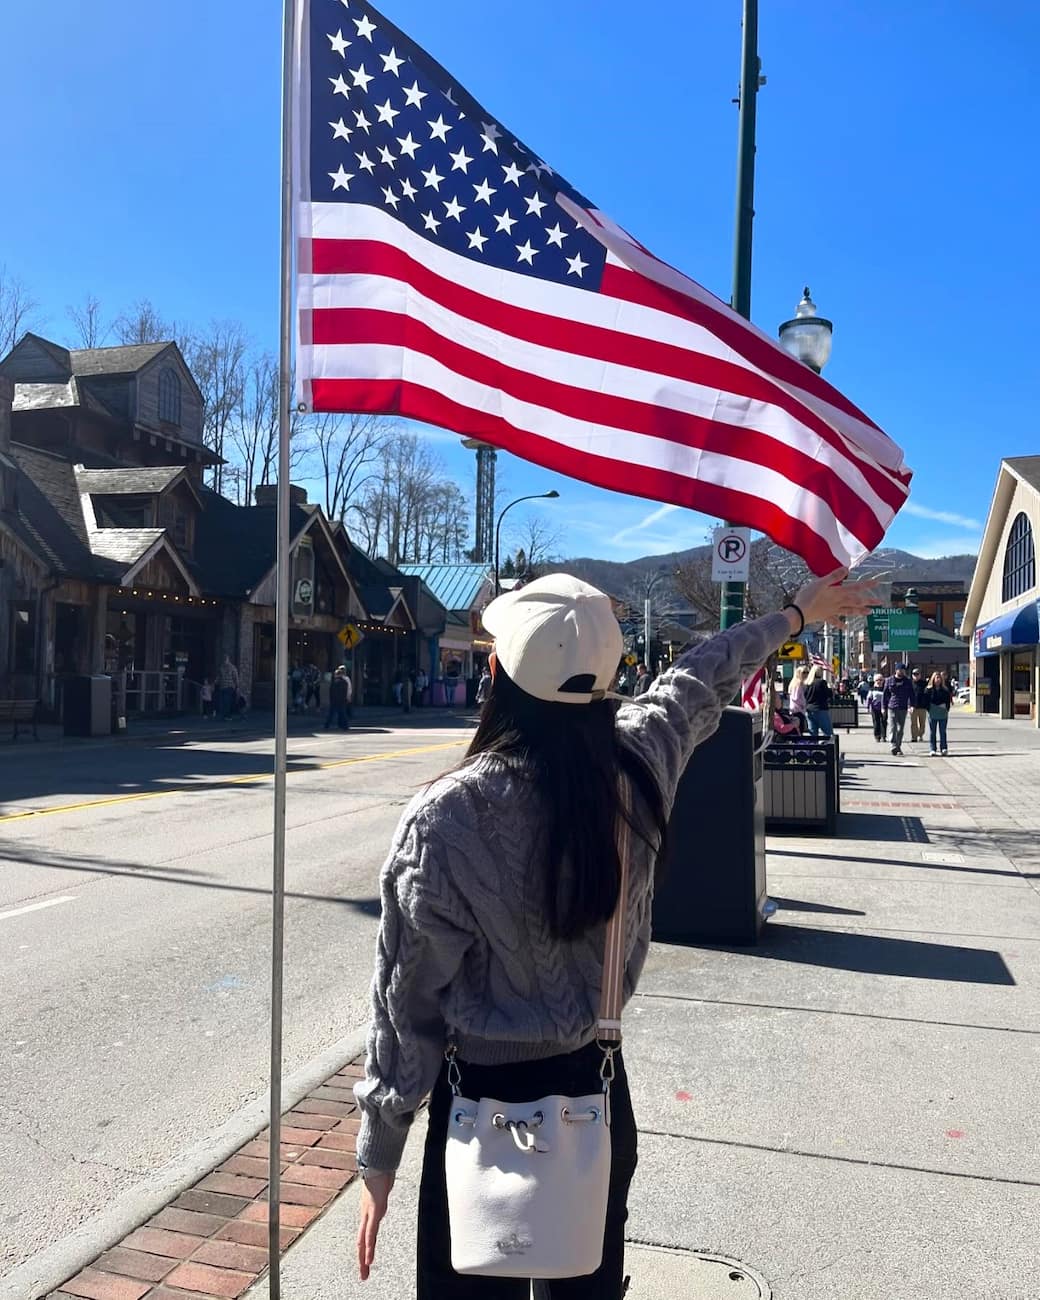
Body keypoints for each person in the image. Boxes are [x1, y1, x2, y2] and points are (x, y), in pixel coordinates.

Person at [353, 568, 875, 1296]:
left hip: (480, 1102)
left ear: (496, 673)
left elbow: (407, 1000)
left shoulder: (446, 816)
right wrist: (792, 615)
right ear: (607, 681)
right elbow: (705, 674)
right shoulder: (642, 762)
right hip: (595, 1090)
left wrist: (381, 1149)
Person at [883, 665, 913, 756]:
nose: (902, 672)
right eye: (900, 670)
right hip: (892, 706)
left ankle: (898, 746)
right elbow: (885, 695)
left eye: (903, 670)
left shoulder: (907, 681)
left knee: (900, 729)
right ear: (896, 670)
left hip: (903, 707)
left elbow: (912, 694)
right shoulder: (889, 680)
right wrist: (883, 707)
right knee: (893, 727)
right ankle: (893, 746)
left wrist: (911, 705)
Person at [924, 671, 952, 755]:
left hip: (942, 713)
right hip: (932, 712)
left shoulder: (945, 689)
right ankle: (933, 749)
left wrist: (946, 709)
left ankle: (944, 748)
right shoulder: (928, 689)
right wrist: (929, 709)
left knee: (942, 731)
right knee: (933, 732)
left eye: (939, 678)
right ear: (933, 679)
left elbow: (947, 701)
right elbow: (926, 701)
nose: (938, 680)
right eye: (936, 678)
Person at [804, 665, 834, 737]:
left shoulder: (807, 683)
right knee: (828, 733)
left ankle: (813, 747)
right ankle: (828, 747)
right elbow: (828, 694)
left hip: (809, 710)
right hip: (820, 709)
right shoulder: (821, 682)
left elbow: (805, 696)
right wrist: (830, 689)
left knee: (813, 734)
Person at [325, 665, 352, 730]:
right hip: (340, 700)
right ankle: (343, 725)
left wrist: (348, 697)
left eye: (336, 674)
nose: (335, 675)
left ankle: (328, 725)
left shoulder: (342, 681)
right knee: (340, 713)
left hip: (337, 700)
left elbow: (347, 690)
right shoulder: (342, 681)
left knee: (335, 713)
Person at [866, 673, 887, 743]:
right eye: (877, 680)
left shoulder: (885, 689)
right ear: (875, 681)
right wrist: (868, 707)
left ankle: (883, 736)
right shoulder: (872, 689)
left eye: (881, 680)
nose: (879, 681)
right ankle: (877, 736)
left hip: (884, 708)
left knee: (883, 722)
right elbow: (869, 699)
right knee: (876, 722)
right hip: (875, 708)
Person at [217, 655, 239, 721]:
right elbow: (219, 676)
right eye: (224, 660)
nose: (224, 661)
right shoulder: (222, 667)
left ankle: (227, 716)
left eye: (225, 659)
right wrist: (215, 682)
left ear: (228, 659)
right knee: (224, 702)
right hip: (223, 687)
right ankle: (225, 716)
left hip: (229, 687)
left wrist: (237, 686)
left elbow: (235, 678)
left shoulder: (232, 668)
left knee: (227, 702)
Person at [909, 668, 928, 743]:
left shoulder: (924, 683)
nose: (916, 676)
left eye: (917, 674)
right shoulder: (910, 684)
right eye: (914, 674)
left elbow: (927, 694)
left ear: (920, 675)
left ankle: (920, 735)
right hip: (913, 706)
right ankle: (914, 737)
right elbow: (907, 695)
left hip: (922, 707)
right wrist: (909, 706)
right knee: (913, 723)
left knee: (922, 723)